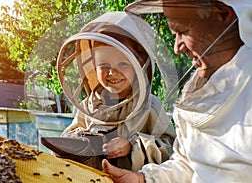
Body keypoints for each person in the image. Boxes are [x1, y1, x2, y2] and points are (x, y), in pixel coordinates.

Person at [102, 0, 252, 182]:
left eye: (182, 31)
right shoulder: (201, 85)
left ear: (222, 14)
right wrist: (142, 179)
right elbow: (186, 164)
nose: (177, 48)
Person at [56, 11, 176, 171]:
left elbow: (170, 149)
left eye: (123, 64)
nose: (112, 72)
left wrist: (132, 147)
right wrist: (79, 139)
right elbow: (68, 137)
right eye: (104, 64)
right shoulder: (89, 105)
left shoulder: (150, 106)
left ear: (138, 66)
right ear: (93, 65)